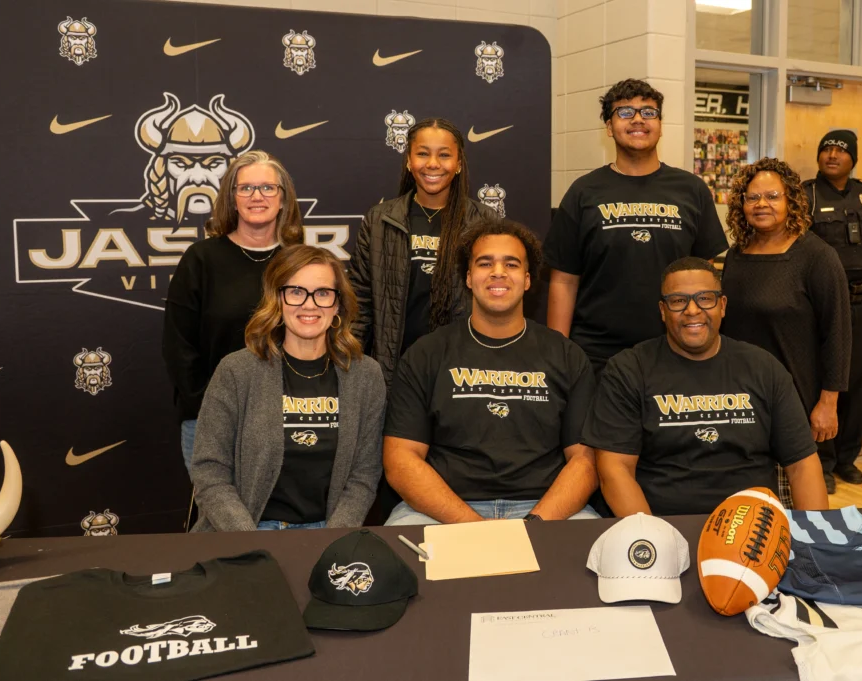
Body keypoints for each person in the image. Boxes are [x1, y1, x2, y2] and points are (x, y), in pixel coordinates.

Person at [383, 217, 600, 524]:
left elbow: (586, 461)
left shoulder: (567, 356)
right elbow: (400, 459)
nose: (498, 272)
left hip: (544, 509)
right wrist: (476, 528)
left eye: (511, 264)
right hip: (445, 508)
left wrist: (535, 525)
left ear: (527, 279)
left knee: (597, 546)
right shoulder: (426, 354)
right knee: (399, 545)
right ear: (469, 277)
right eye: (485, 263)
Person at [584, 257, 828, 516]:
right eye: (678, 300)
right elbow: (615, 470)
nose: (692, 310)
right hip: (662, 523)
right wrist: (651, 533)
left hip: (753, 528)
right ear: (663, 310)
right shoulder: (628, 370)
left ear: (722, 305)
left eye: (705, 298)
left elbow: (802, 465)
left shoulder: (764, 368)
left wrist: (815, 535)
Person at [190, 245, 386, 531]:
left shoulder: (365, 375)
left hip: (329, 529)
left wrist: (332, 540)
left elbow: (364, 475)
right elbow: (210, 470)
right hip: (247, 528)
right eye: (296, 292)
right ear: (278, 300)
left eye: (322, 293)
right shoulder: (236, 371)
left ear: (337, 305)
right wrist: (251, 542)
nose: (309, 304)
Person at [545, 78, 728, 374]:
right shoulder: (583, 192)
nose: (639, 119)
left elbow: (704, 277)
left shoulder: (691, 189)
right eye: (625, 112)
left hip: (674, 351)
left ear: (660, 124)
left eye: (649, 112)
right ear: (609, 127)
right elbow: (564, 281)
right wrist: (557, 354)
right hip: (596, 355)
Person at [163, 150, 304, 473]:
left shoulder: (300, 262)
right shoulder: (201, 259)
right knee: (219, 506)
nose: (257, 196)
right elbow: (178, 346)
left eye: (267, 187)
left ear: (283, 199)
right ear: (232, 198)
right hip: (212, 420)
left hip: (289, 417)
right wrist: (210, 407)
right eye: (246, 188)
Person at [720, 157, 851, 503]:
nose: (761, 204)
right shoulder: (736, 256)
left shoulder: (817, 257)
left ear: (791, 200)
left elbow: (837, 332)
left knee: (793, 504)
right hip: (739, 399)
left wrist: (828, 403)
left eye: (772, 196)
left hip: (795, 399)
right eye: (752, 197)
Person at [350, 118, 493, 388]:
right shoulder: (380, 220)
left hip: (462, 371)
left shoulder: (484, 222)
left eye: (444, 155)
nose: (433, 164)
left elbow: (495, 302)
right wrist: (349, 368)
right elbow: (360, 304)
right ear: (408, 160)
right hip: (395, 371)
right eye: (423, 153)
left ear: (459, 163)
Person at [803, 130, 862, 488]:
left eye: (840, 151)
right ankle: (821, 461)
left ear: (853, 158)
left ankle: (847, 459)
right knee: (824, 382)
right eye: (826, 149)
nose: (832, 155)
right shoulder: (805, 195)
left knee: (859, 382)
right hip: (822, 305)